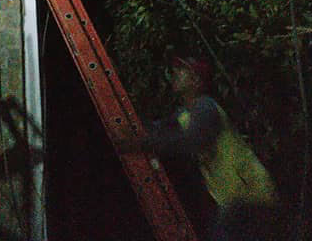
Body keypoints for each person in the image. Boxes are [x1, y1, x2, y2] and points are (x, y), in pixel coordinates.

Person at [117, 54, 282, 241]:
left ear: (196, 81)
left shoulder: (206, 107)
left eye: (182, 71)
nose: (175, 74)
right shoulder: (185, 114)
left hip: (251, 193)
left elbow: (191, 141)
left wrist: (138, 144)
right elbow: (159, 130)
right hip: (233, 199)